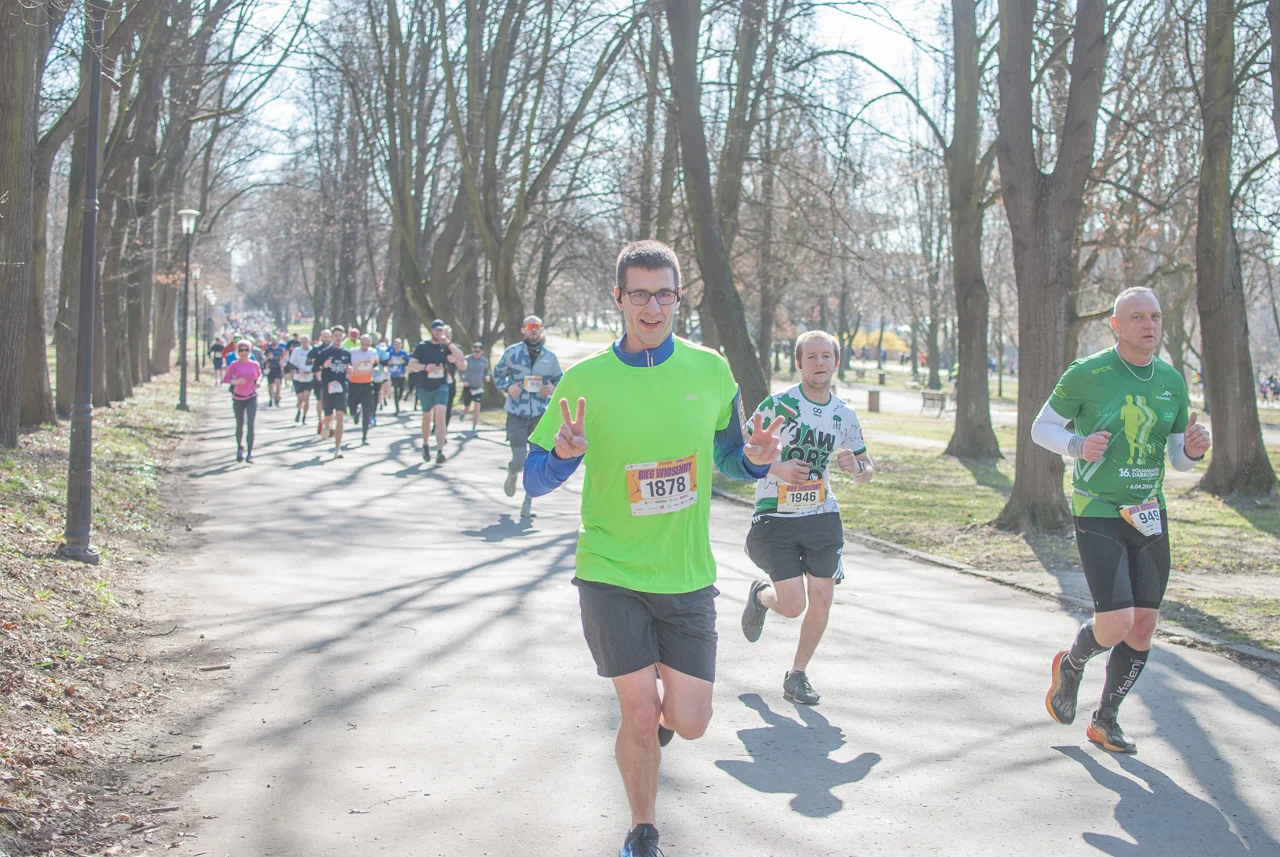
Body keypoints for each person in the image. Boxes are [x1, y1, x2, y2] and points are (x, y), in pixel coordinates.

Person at [522, 240, 785, 857]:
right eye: (637, 294)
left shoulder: (709, 370)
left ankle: (661, 732)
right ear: (618, 299)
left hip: (686, 573)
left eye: (662, 293)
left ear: (678, 299)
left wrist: (752, 459)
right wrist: (563, 454)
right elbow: (534, 476)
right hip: (609, 569)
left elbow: (728, 456)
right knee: (639, 715)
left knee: (689, 721)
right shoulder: (584, 381)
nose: (651, 305)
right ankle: (643, 830)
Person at [1034, 286, 1211, 754]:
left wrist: (1192, 450)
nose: (1149, 325)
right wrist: (1077, 445)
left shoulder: (1172, 380)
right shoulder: (1088, 373)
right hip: (1098, 508)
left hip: (1149, 513)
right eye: (1137, 317)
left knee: (1144, 624)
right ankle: (1072, 664)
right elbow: (1041, 427)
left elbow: (1177, 455)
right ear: (1116, 325)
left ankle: (1105, 719)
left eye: (1154, 316)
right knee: (1114, 624)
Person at [739, 330, 874, 705]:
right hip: (775, 518)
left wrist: (856, 466)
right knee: (794, 605)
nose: (819, 363)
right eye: (811, 357)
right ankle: (761, 597)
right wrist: (777, 469)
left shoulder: (843, 414)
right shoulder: (778, 405)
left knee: (822, 596)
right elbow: (739, 456)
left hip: (821, 515)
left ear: (836, 362)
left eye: (825, 357)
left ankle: (797, 676)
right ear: (799, 363)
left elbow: (866, 469)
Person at [493, 316, 562, 518]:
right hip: (517, 413)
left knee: (534, 462)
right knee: (520, 459)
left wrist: (552, 388)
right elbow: (497, 375)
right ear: (523, 330)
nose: (533, 330)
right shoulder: (512, 353)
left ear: (541, 331)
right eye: (530, 327)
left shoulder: (550, 357)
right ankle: (513, 471)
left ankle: (527, 504)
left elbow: (561, 381)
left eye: (537, 327)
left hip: (540, 415)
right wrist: (508, 386)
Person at [408, 320, 465, 463]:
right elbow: (412, 365)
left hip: (441, 386)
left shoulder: (445, 347)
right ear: (431, 331)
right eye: (436, 330)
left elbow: (461, 358)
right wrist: (425, 367)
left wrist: (449, 344)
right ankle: (426, 444)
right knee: (427, 417)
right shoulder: (422, 346)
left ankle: (440, 451)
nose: (438, 333)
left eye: (441, 330)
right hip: (425, 386)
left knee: (440, 416)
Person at [315, 325, 353, 458]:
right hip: (327, 388)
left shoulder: (347, 353)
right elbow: (314, 368)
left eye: (340, 335)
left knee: (340, 416)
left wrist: (350, 370)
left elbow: (349, 367)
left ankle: (338, 448)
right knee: (329, 416)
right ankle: (326, 426)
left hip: (342, 387)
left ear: (343, 337)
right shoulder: (325, 353)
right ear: (332, 337)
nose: (337, 338)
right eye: (335, 335)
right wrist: (323, 365)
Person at [222, 340, 261, 463]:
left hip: (251, 397)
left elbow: (259, 375)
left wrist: (258, 382)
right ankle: (239, 448)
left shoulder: (254, 364)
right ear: (238, 352)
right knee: (240, 424)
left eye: (246, 350)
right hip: (238, 398)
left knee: (251, 425)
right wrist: (236, 382)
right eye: (241, 350)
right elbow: (226, 379)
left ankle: (250, 453)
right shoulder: (234, 364)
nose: (244, 352)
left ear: (250, 351)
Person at [347, 334, 381, 446]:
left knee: (367, 410)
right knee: (352, 408)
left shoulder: (373, 352)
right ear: (359, 342)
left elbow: (376, 363)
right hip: (354, 384)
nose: (365, 347)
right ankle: (355, 413)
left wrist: (375, 369)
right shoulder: (353, 352)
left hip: (367, 384)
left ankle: (364, 436)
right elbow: (347, 364)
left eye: (367, 344)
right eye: (363, 344)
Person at [462, 342, 490, 434]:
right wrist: (463, 380)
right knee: (467, 406)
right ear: (472, 349)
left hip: (478, 387)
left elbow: (486, 371)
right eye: (475, 350)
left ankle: (474, 427)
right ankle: (464, 413)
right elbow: (460, 371)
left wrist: (487, 376)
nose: (476, 353)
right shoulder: (467, 359)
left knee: (477, 407)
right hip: (468, 386)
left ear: (481, 351)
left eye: (478, 351)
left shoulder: (484, 360)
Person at [287, 334, 314, 424]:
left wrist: (310, 371)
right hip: (298, 378)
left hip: (309, 378)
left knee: (306, 397)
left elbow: (315, 364)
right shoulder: (296, 351)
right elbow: (291, 363)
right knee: (300, 398)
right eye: (302, 341)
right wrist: (298, 370)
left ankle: (304, 417)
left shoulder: (312, 351)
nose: (304, 343)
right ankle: (299, 410)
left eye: (306, 341)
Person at [308, 329, 332, 433]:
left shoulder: (334, 349)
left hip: (332, 379)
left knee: (331, 403)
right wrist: (314, 362)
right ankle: (320, 421)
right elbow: (308, 360)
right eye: (324, 336)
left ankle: (328, 423)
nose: (326, 338)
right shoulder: (316, 349)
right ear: (321, 337)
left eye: (328, 336)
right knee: (320, 401)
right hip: (319, 379)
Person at [387, 337, 410, 414]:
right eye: (395, 344)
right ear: (393, 345)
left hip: (402, 374)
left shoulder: (404, 353)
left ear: (401, 345)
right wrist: (388, 362)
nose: (397, 346)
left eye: (398, 344)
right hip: (393, 374)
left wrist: (403, 361)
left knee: (401, 390)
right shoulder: (390, 353)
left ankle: (399, 399)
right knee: (396, 390)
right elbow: (385, 361)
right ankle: (397, 408)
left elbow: (409, 362)